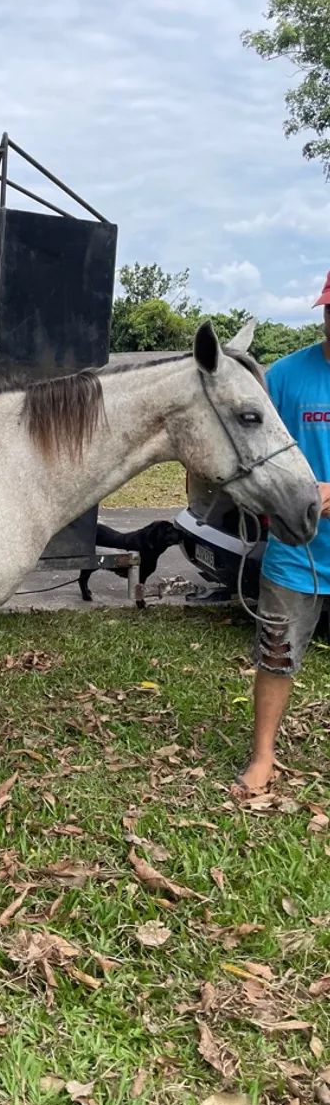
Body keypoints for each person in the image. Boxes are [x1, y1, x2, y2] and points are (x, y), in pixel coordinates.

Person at [236, 272, 330, 796]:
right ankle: (263, 755)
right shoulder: (286, 376)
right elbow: (256, 455)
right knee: (277, 654)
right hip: (296, 555)